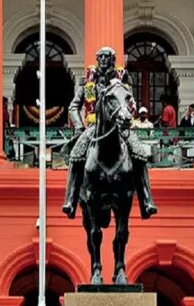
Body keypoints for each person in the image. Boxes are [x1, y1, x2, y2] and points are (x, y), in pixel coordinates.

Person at [62, 46, 157, 220]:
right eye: (101, 57)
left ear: (113, 60)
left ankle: (146, 200)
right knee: (76, 155)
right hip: (94, 128)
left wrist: (128, 114)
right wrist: (79, 126)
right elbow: (74, 106)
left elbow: (130, 102)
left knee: (139, 153)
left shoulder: (122, 80)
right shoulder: (88, 80)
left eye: (107, 57)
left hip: (120, 126)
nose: (104, 60)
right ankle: (70, 200)